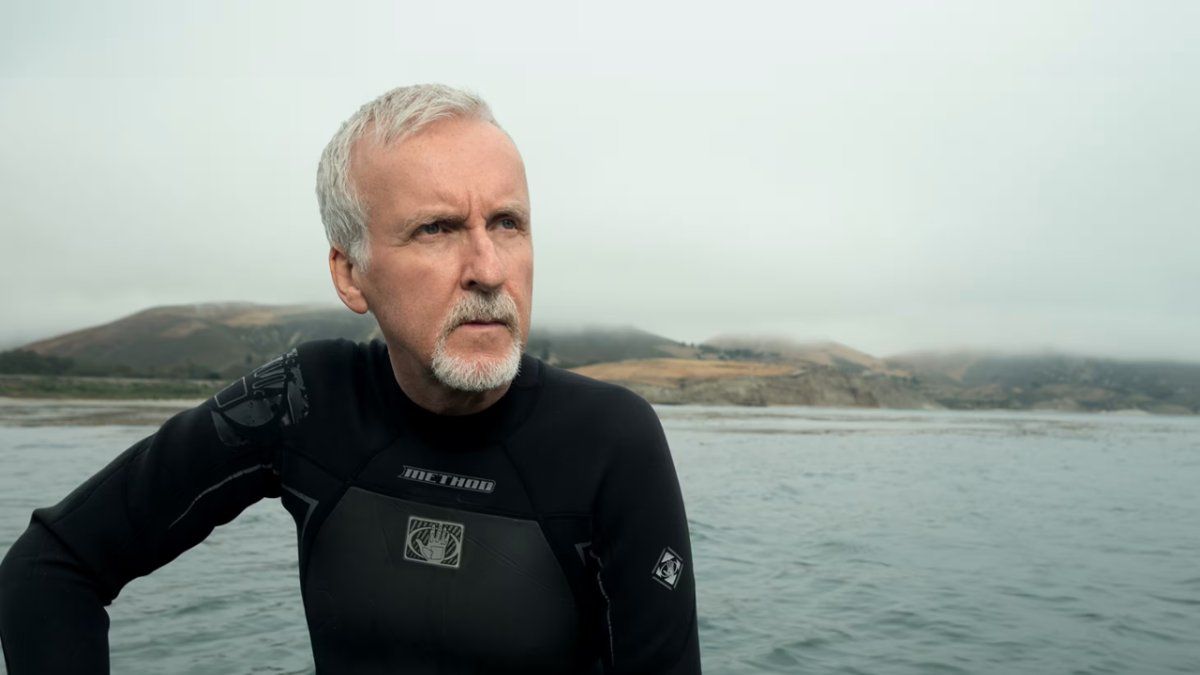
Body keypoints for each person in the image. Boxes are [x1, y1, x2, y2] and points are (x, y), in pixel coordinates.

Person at [0, 84, 701, 674]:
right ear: (350, 273)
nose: (489, 269)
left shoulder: (609, 438)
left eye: (508, 222)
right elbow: (52, 564)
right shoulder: (308, 398)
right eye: (436, 229)